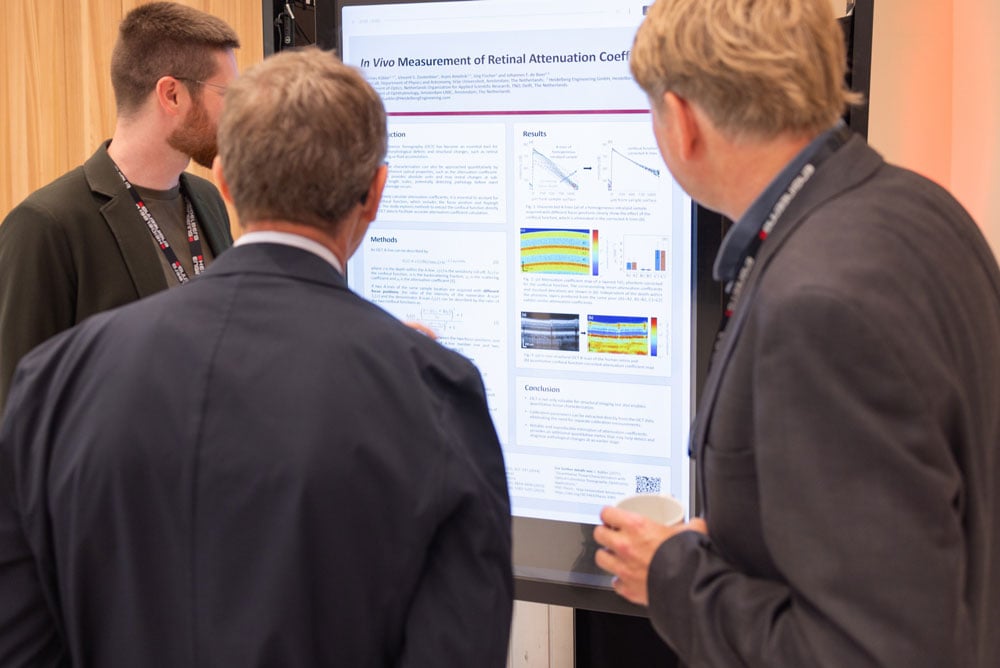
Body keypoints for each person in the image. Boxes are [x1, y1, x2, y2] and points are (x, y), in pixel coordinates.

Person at [0, 47, 513, 667]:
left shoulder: (56, 380)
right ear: (375, 194)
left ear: (224, 182)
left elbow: (20, 636)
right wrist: (395, 366)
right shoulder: (436, 392)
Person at [593, 0, 1000, 666]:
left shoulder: (816, 306)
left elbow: (866, 651)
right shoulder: (925, 209)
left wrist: (674, 575)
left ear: (683, 121)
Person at [0, 2, 240, 411]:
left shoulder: (208, 199)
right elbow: (19, 409)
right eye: (228, 95)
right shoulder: (45, 225)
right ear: (172, 94)